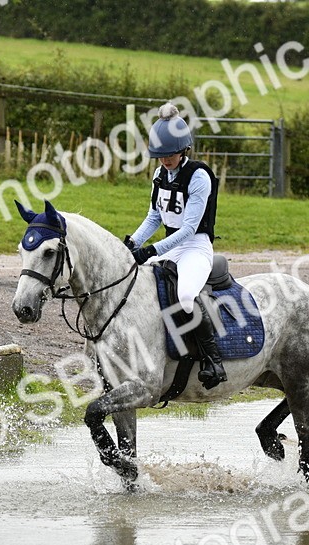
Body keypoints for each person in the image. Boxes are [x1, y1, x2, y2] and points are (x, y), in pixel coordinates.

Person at [124, 103, 226, 389]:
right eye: (160, 156)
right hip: (171, 244)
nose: (165, 160)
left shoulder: (199, 176)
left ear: (183, 150)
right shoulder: (159, 177)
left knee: (185, 296)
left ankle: (213, 360)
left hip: (195, 246)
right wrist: (133, 242)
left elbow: (189, 228)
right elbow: (155, 217)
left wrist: (152, 251)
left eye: (170, 154)